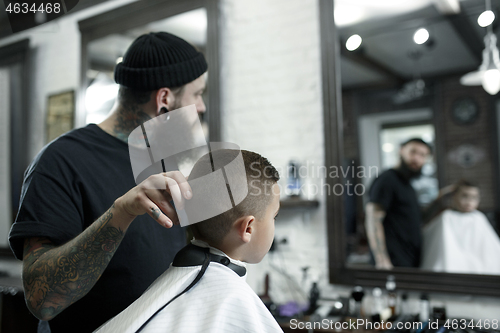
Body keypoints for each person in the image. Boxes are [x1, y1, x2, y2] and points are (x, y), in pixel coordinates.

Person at [8, 32, 207, 333]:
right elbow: (41, 300)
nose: (201, 107)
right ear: (164, 98)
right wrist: (121, 214)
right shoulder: (60, 161)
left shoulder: (166, 162)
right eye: (197, 94)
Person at [94, 149, 283, 333]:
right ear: (248, 228)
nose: (274, 222)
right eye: (274, 216)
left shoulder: (174, 281)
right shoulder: (235, 299)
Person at [365, 138, 432, 269]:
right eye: (413, 152)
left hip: (408, 260)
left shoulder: (408, 186)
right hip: (391, 263)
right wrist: (382, 260)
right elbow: (373, 220)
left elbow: (417, 218)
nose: (416, 159)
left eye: (422, 155)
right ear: (401, 151)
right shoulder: (387, 180)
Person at [421, 180, 500, 274]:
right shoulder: (447, 217)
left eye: (474, 197)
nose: (469, 201)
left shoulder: (479, 218)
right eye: (464, 196)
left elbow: (491, 250)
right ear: (455, 196)